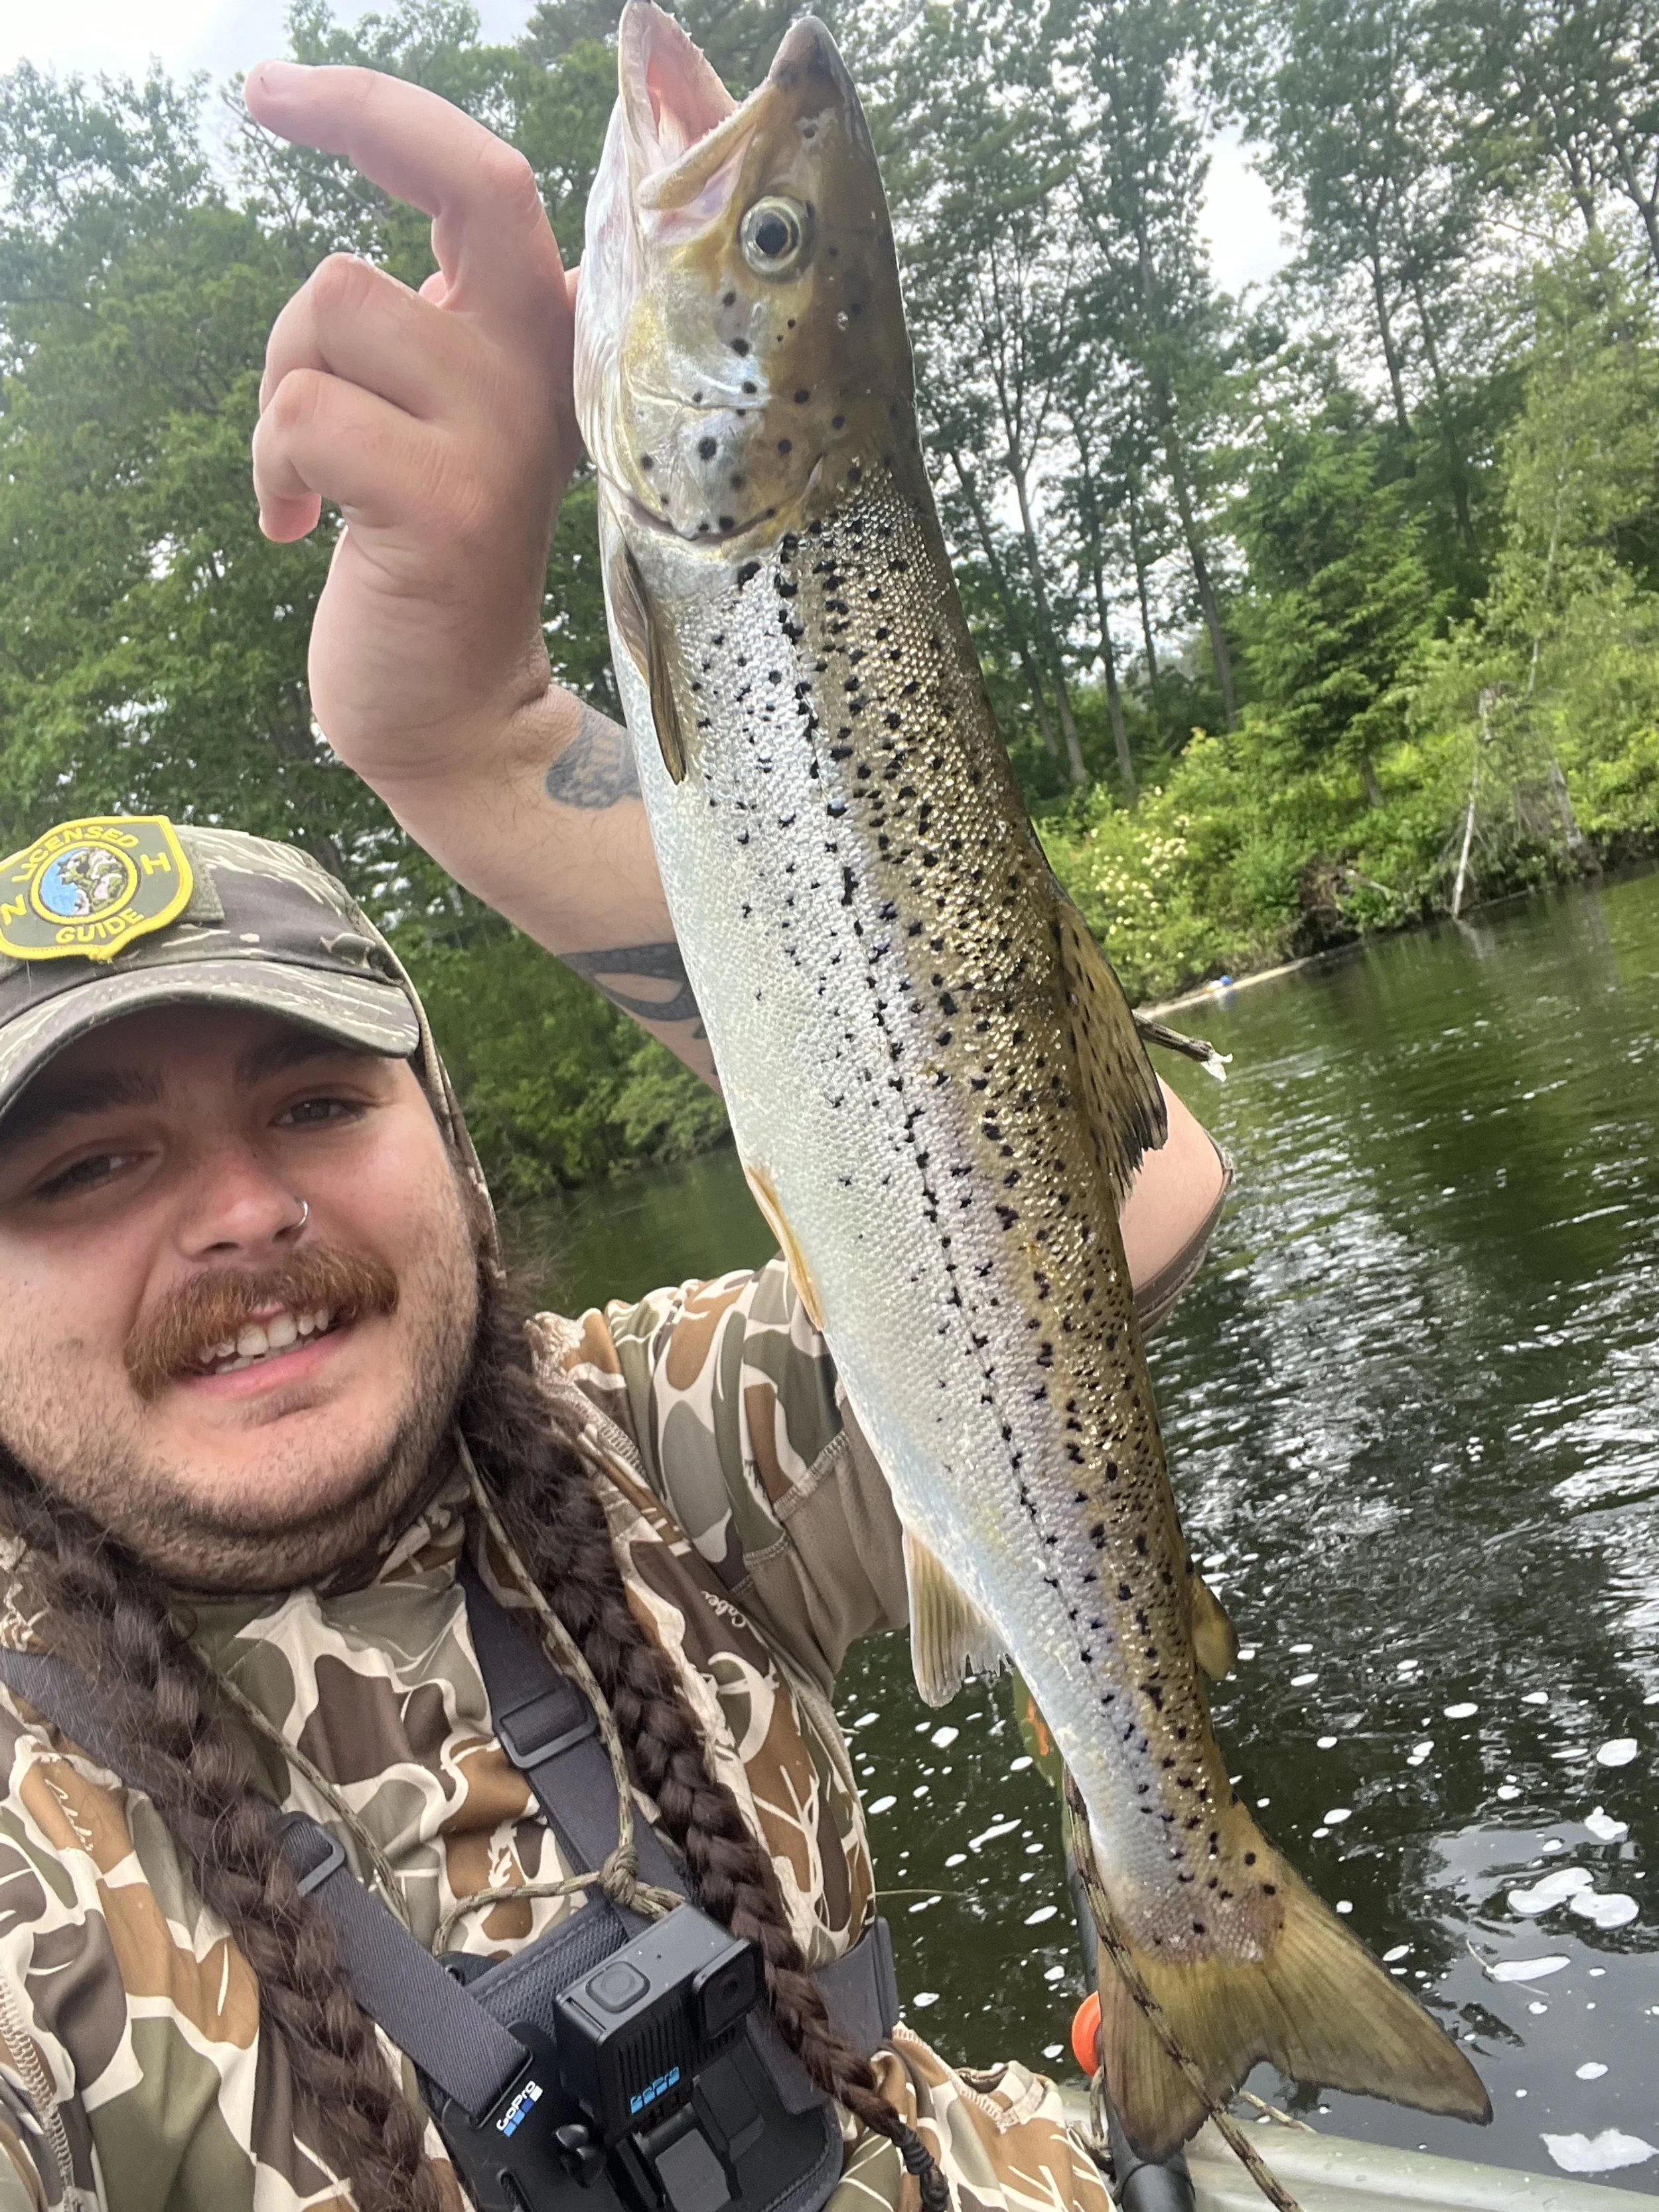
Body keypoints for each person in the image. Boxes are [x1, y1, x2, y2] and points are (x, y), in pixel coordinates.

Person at [0, 62, 1231, 2212]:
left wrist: (473, 741)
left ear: (452, 1147)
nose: (247, 1207)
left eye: (312, 1095)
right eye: (80, 1166)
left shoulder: (621, 1438)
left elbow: (1136, 1202)